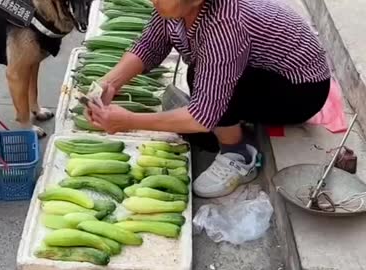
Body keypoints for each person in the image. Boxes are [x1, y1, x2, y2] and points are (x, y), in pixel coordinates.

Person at [85, 0, 331, 198]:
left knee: (207, 81)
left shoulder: (225, 24)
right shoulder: (173, 6)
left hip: (300, 91)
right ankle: (222, 130)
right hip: (263, 71)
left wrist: (128, 121)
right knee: (202, 74)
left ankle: (239, 155)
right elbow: (150, 44)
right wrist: (110, 83)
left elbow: (204, 113)